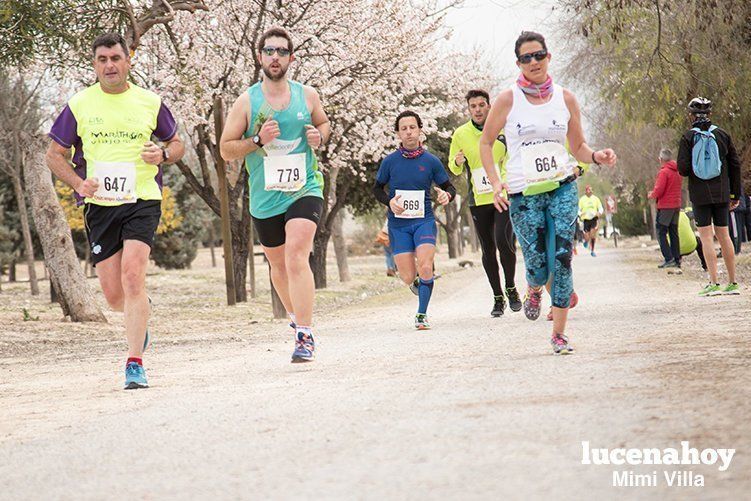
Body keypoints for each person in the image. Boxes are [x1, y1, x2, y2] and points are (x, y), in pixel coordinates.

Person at [46, 33, 185, 389]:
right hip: (100, 205)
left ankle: (134, 362)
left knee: (133, 277)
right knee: (113, 295)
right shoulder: (79, 104)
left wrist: (164, 155)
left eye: (115, 58)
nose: (109, 65)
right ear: (95, 65)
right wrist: (78, 185)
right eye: (102, 59)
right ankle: (140, 318)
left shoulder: (149, 102)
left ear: (128, 61)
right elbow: (54, 154)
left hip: (142, 198)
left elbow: (176, 143)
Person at [479, 31, 617, 355]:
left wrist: (596, 156)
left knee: (562, 258)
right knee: (538, 264)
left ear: (548, 57)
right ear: (518, 63)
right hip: (523, 194)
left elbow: (578, 147)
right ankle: (534, 286)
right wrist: (496, 183)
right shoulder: (507, 99)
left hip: (561, 187)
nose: (534, 62)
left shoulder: (565, 98)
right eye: (526, 58)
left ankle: (559, 333)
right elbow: (485, 143)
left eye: (538, 55)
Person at [220, 27, 330, 362]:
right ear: (260, 57)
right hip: (266, 197)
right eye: (269, 51)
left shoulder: (306, 95)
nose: (275, 57)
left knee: (298, 254)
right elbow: (225, 150)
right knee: (278, 266)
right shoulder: (247, 102)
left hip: (304, 188)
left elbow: (324, 124)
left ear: (291, 58)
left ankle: (305, 334)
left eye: (282, 51)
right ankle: (297, 319)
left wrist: (318, 137)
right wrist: (256, 141)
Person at [373, 110, 456, 330]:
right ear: (398, 134)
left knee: (426, 266)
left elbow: (449, 186)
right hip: (398, 225)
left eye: (412, 127)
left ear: (420, 130)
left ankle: (422, 314)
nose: (409, 132)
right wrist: (389, 202)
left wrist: (446, 195)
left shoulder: (431, 161)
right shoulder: (390, 162)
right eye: (404, 129)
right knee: (408, 277)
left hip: (424, 221)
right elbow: (377, 188)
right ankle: (419, 284)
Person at [448, 89, 521, 317]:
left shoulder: (502, 130)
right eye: (473, 106)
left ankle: (511, 287)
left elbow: (511, 161)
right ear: (469, 109)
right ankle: (497, 297)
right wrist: (458, 161)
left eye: (482, 105)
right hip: (478, 199)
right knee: (488, 248)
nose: (478, 109)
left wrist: (504, 185)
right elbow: (453, 166)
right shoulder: (460, 134)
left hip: (502, 197)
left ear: (489, 106)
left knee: (503, 241)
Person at [676, 97, 741, 296]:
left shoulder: (688, 137)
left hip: (700, 194)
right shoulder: (722, 135)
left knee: (706, 237)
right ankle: (732, 282)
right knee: (724, 235)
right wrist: (735, 193)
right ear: (710, 114)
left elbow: (683, 169)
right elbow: (735, 165)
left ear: (691, 115)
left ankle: (713, 282)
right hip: (722, 193)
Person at [648, 148, 683, 269]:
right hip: (676, 205)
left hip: (666, 206)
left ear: (661, 159)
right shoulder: (677, 171)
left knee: (661, 232)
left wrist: (651, 194)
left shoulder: (664, 172)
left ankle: (669, 258)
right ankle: (677, 258)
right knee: (674, 232)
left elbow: (659, 190)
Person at [578, 185, 603, 257]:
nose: (590, 191)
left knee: (592, 234)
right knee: (587, 236)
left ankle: (592, 250)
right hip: (585, 219)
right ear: (586, 191)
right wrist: (580, 213)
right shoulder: (582, 199)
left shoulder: (596, 199)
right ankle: (586, 241)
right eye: (588, 190)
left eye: (591, 190)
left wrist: (599, 213)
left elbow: (600, 208)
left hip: (593, 219)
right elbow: (578, 210)